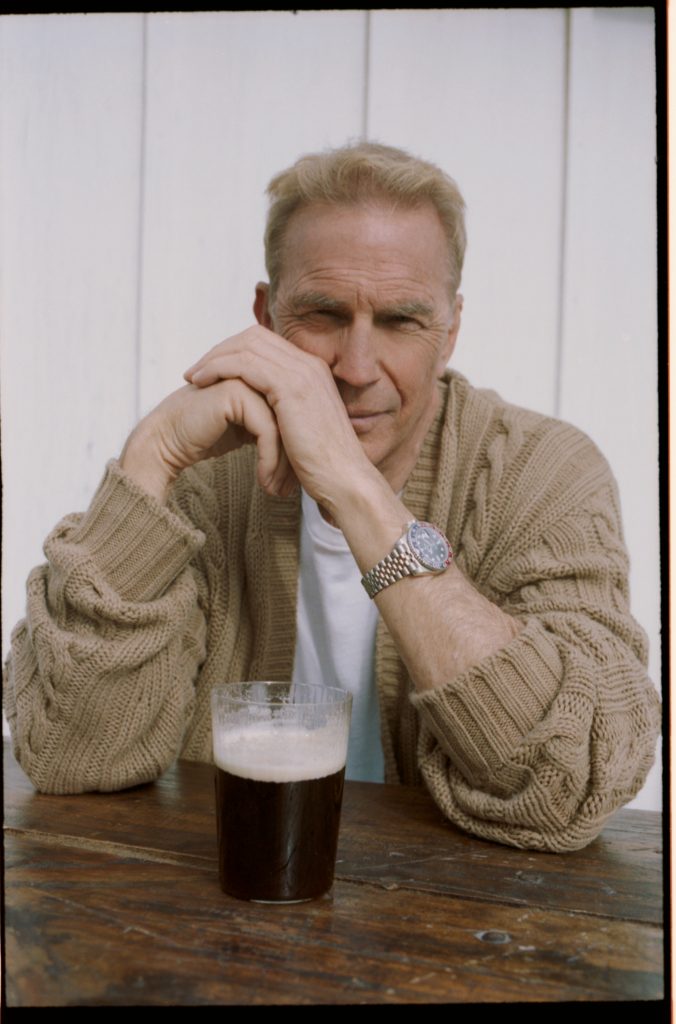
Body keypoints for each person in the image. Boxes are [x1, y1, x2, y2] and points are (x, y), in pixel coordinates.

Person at [3, 141, 660, 852]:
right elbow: (71, 758)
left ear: (450, 332)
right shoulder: (198, 476)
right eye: (323, 313)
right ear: (266, 316)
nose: (357, 367)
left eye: (401, 320)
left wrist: (353, 488)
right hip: (219, 897)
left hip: (459, 907)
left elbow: (568, 780)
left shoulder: (544, 473)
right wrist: (151, 457)